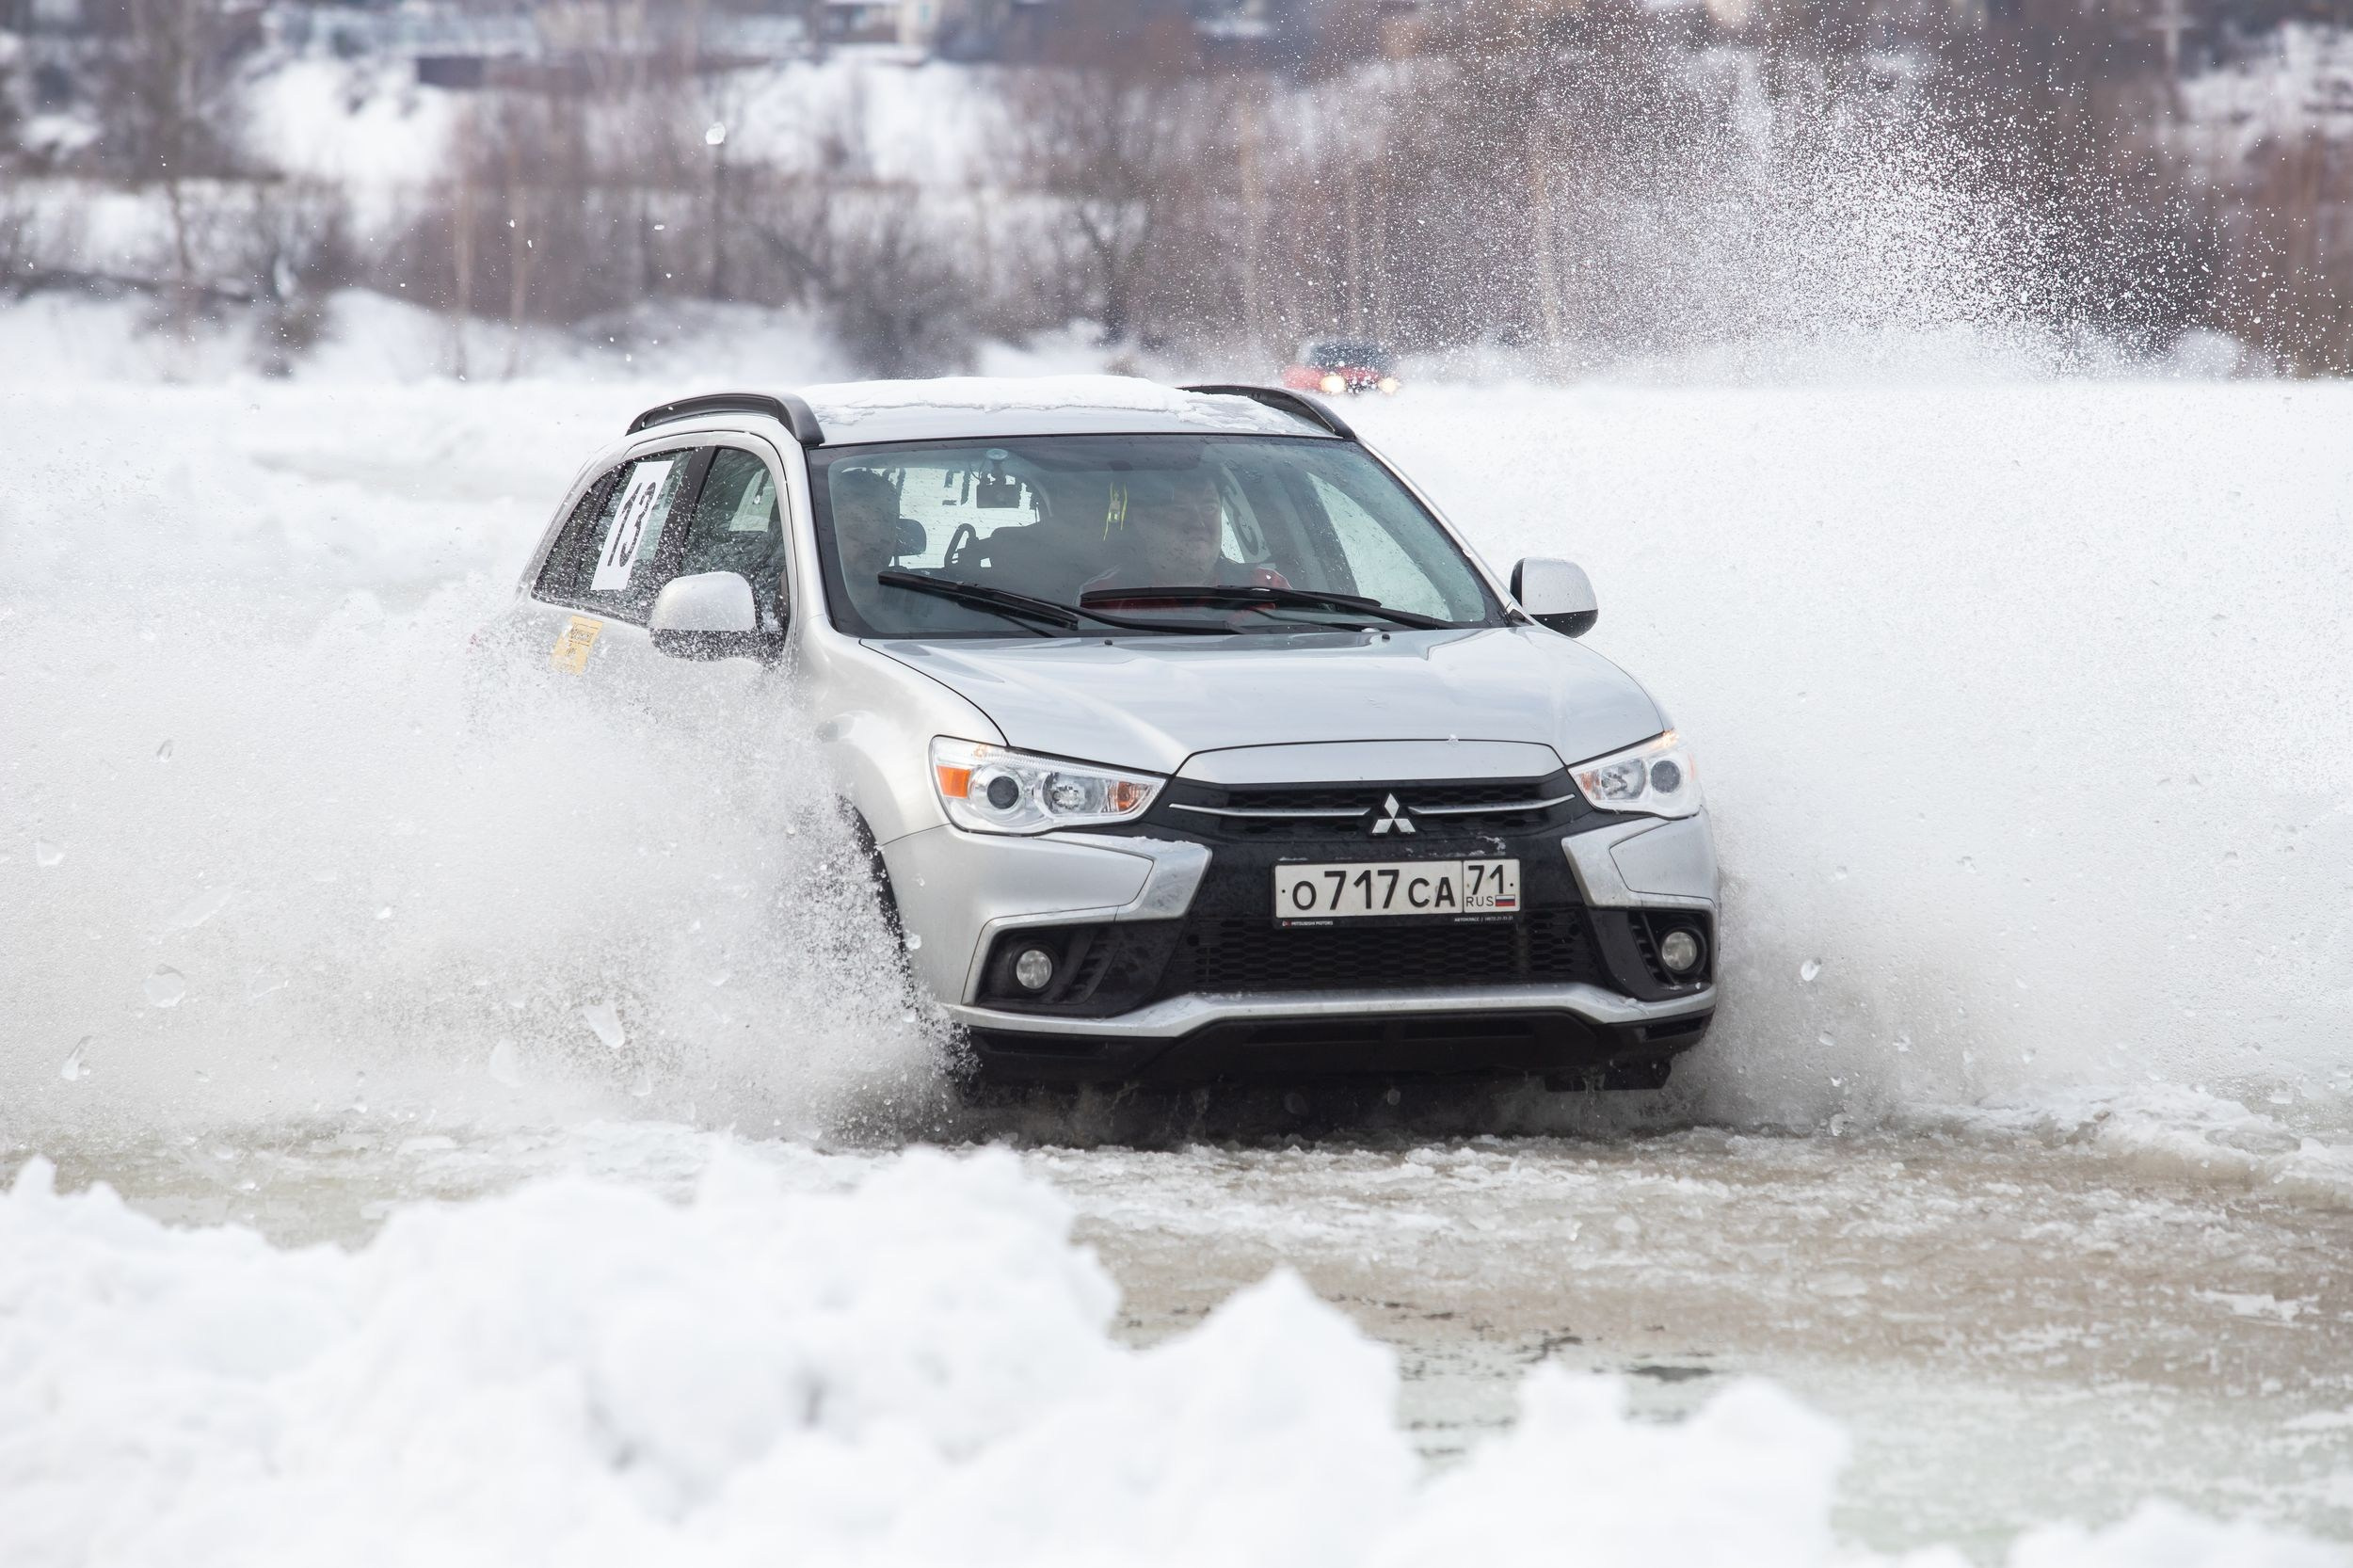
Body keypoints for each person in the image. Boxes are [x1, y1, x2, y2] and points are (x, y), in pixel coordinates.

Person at [1084, 468, 1288, 596]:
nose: (1198, 524)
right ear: (1144, 520)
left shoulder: (1267, 588)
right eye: (1180, 509)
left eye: (1209, 508)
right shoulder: (1104, 595)